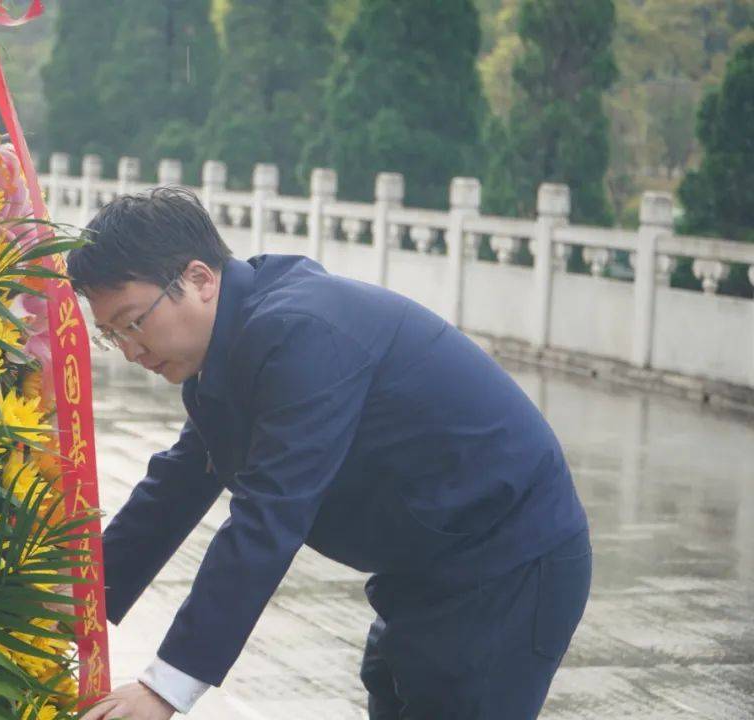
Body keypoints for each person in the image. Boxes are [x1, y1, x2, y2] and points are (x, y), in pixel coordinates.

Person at [71, 188, 591, 720]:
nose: (131, 350)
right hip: (425, 569)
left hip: (510, 561)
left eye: (134, 322)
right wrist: (74, 607)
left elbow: (269, 515)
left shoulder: (299, 332)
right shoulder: (233, 347)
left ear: (200, 279)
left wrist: (166, 688)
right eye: (112, 335)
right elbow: (175, 489)